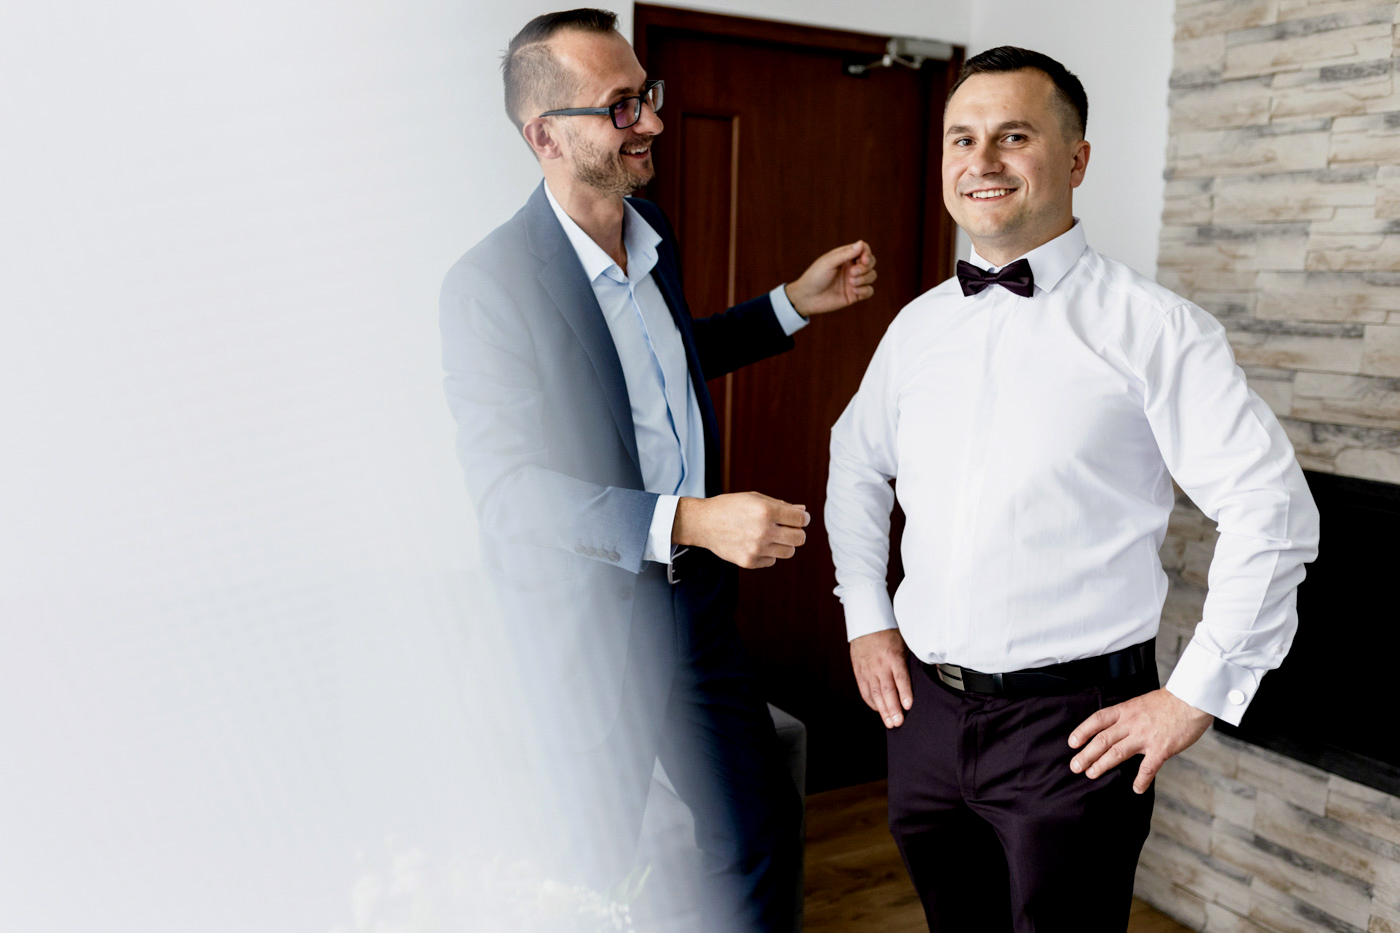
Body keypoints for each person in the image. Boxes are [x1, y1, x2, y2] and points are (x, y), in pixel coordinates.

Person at [825, 46, 1319, 932]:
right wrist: (866, 614)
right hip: (924, 716)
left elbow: (1273, 510)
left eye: (1013, 136)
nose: (982, 160)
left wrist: (1196, 693)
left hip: (1075, 730)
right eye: (963, 138)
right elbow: (856, 461)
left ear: (1078, 159)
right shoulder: (917, 326)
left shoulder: (1157, 329)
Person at [439, 9, 877, 931]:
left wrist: (790, 305)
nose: (653, 122)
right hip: (592, 629)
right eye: (622, 107)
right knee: (589, 875)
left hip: (697, 607)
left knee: (758, 827)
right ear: (545, 135)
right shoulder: (488, 285)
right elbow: (509, 493)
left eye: (648, 96)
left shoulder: (653, 231)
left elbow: (659, 362)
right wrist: (691, 517)